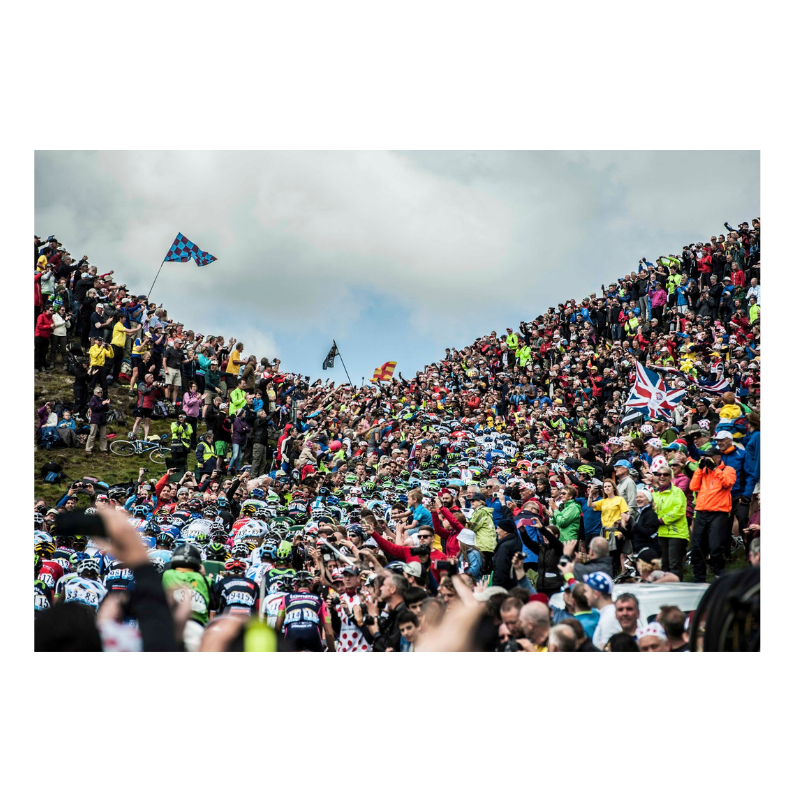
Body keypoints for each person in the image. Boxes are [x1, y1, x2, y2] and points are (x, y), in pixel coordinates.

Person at [651, 465, 690, 579]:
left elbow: (679, 510)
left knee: (674, 566)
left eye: (665, 474)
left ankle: (677, 588)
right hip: (661, 533)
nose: (662, 477)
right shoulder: (654, 493)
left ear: (671, 477)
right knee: (663, 566)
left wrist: (661, 520)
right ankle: (666, 588)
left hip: (676, 533)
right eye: (659, 474)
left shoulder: (677, 492)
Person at [583, 572, 620, 650]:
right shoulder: (607, 613)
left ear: (596, 594)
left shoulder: (609, 617)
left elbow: (607, 649)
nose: (584, 594)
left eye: (586, 591)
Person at [86, 387, 111, 455]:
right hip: (95, 419)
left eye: (101, 392)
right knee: (92, 435)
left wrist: (106, 404)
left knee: (103, 436)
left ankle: (104, 449)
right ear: (95, 393)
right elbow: (94, 408)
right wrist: (102, 404)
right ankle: (88, 449)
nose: (100, 394)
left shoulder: (102, 399)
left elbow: (106, 409)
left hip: (102, 419)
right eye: (98, 392)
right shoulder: (93, 399)